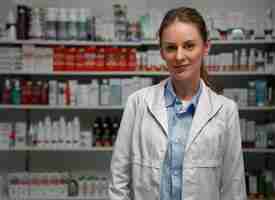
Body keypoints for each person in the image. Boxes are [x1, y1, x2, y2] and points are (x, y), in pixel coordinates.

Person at [109, 6, 247, 200]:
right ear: (162, 52)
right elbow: (119, 179)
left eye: (189, 45)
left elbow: (234, 187)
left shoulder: (225, 110)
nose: (179, 56)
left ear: (206, 47)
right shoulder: (138, 103)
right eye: (171, 47)